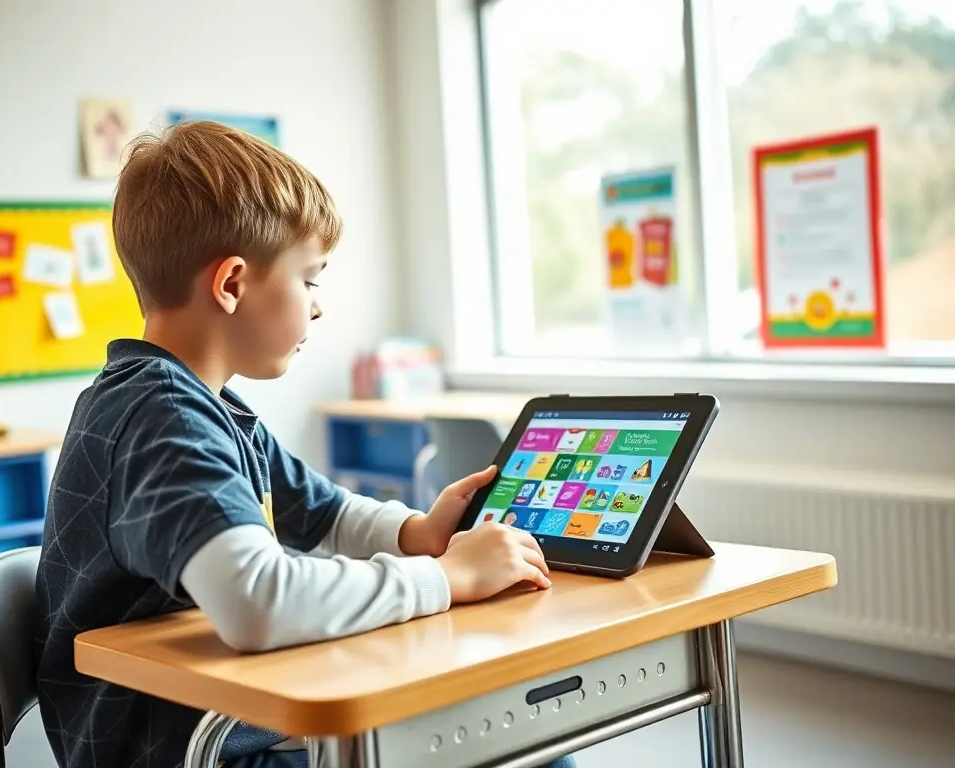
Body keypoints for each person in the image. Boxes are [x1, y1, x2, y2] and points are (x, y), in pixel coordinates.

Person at [33, 121, 575, 768]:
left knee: (518, 737)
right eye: (310, 280)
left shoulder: (196, 404)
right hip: (189, 753)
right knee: (531, 744)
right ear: (232, 284)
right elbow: (257, 603)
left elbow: (322, 511)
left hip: (217, 727)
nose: (318, 308)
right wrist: (448, 576)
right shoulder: (163, 417)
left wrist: (417, 533)